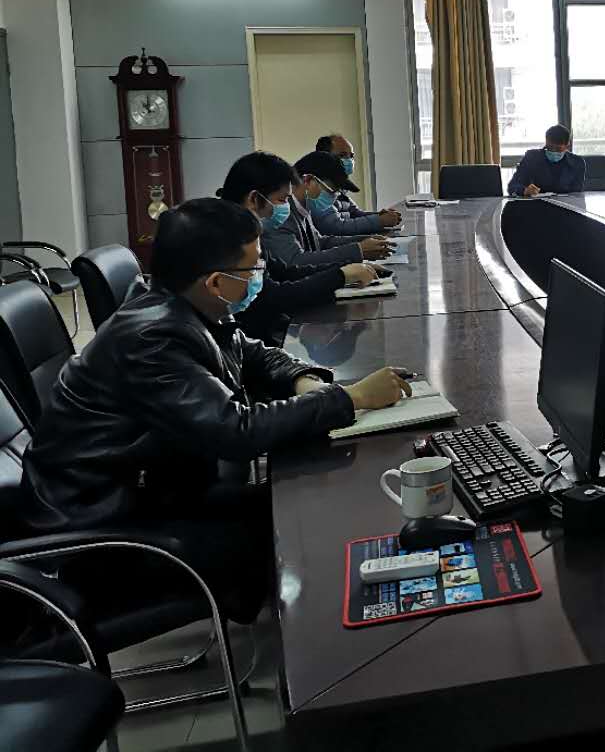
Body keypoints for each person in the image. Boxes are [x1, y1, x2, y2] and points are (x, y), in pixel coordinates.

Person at [18, 198, 410, 612]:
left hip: (156, 492)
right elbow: (235, 431)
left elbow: (253, 354)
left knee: (310, 501)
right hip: (107, 535)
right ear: (216, 282)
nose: (260, 276)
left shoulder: (182, 303)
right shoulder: (151, 338)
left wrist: (302, 379)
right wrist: (351, 397)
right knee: (304, 529)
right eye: (253, 268)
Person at [217, 151, 379, 346]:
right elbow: (275, 296)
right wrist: (341, 276)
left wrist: (347, 269)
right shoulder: (227, 239)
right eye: (282, 200)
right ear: (253, 199)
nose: (287, 207)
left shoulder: (247, 231)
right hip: (249, 340)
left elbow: (285, 271)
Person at [265, 151, 393, 270]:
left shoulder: (303, 208)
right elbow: (295, 261)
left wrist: (365, 241)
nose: (334, 197)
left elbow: (320, 243)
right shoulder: (280, 214)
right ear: (308, 181)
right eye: (331, 191)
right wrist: (357, 251)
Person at [313, 133, 403, 235]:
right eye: (342, 155)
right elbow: (336, 228)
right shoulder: (316, 190)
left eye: (351, 156)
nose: (349, 161)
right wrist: (379, 221)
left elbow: (354, 213)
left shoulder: (338, 185)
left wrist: (379, 215)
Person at [508, 124, 586, 197]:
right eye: (549, 147)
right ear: (546, 142)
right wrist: (524, 190)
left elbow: (577, 194)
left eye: (558, 149)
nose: (553, 151)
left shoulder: (577, 162)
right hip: (536, 204)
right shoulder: (531, 157)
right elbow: (512, 186)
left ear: (567, 146)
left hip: (565, 205)